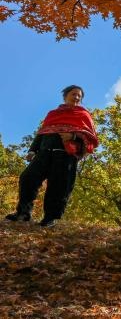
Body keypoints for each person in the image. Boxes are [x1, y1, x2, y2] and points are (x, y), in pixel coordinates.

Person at [5, 85, 99, 227]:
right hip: (44, 152)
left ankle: (50, 218)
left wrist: (73, 135)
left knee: (59, 186)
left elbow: (90, 137)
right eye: (74, 94)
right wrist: (32, 150)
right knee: (28, 178)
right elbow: (42, 132)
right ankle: (23, 213)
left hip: (65, 156)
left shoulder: (84, 115)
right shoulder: (52, 114)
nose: (77, 97)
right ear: (65, 96)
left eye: (79, 96)